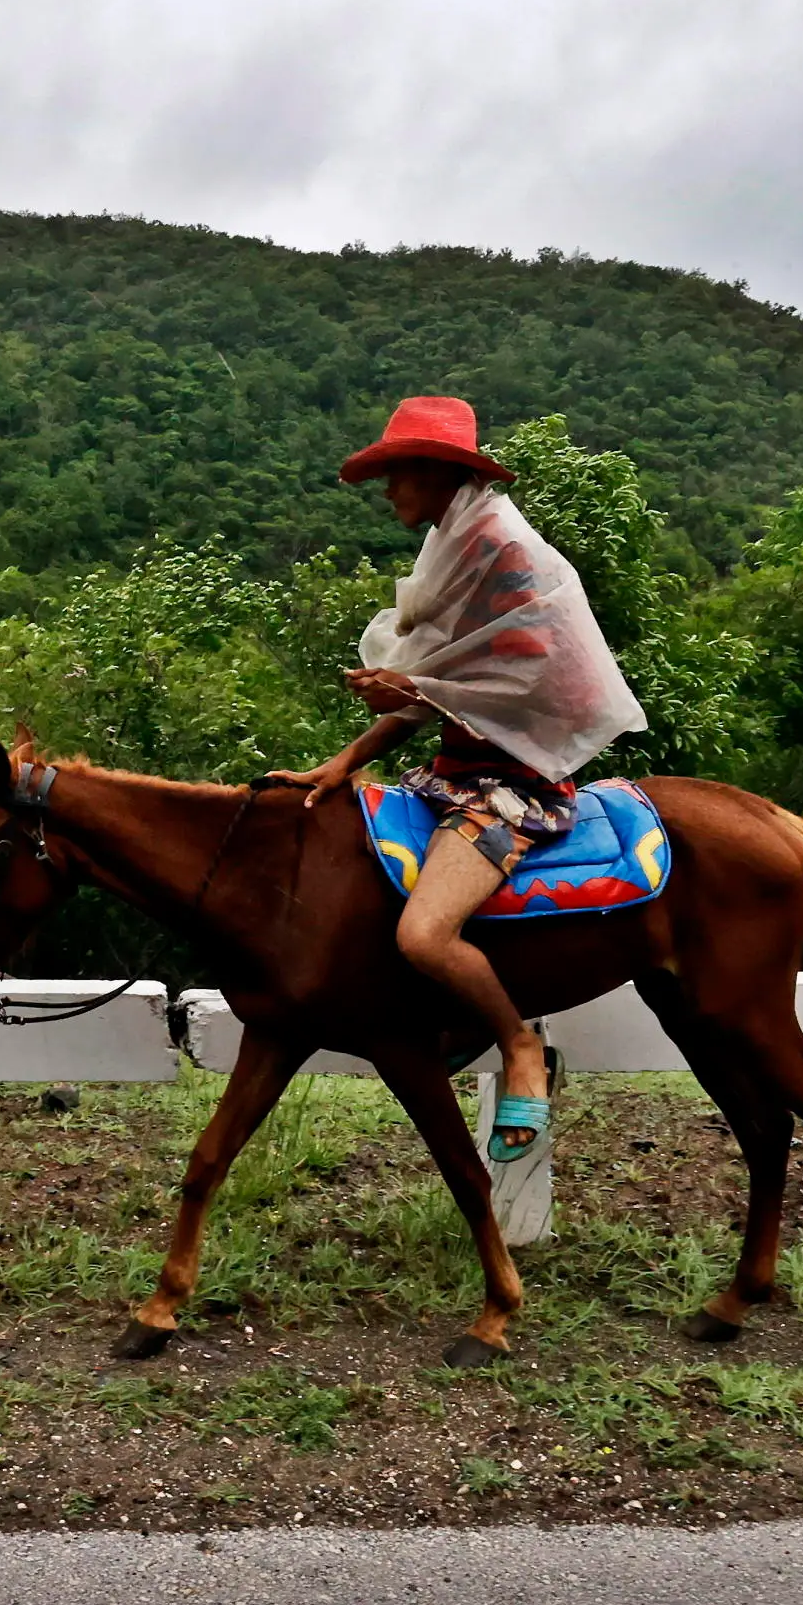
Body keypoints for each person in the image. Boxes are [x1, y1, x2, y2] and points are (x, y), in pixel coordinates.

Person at [271, 397, 646, 1161]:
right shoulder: (458, 544)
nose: (387, 492)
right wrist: (346, 760)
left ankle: (517, 1048)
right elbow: (450, 678)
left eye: (395, 474)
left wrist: (412, 690)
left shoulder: (504, 556)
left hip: (513, 784)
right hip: (452, 773)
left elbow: (528, 688)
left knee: (423, 931)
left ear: (435, 472)